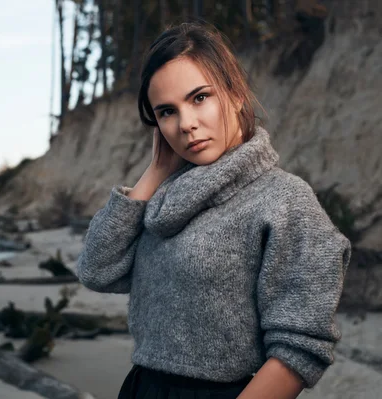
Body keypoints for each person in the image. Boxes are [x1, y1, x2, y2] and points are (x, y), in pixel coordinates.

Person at [76, 21, 351, 399]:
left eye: (200, 97)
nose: (186, 124)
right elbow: (97, 270)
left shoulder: (284, 199)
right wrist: (155, 171)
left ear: (235, 93)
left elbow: (300, 347)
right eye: (167, 112)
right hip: (141, 388)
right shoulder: (164, 197)